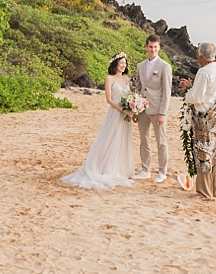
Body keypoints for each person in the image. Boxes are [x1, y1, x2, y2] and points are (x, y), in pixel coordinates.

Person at [61, 52, 135, 190]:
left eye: (125, 63)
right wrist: (122, 109)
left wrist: (133, 108)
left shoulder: (127, 80)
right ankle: (105, 167)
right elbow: (109, 99)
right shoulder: (109, 79)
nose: (123, 66)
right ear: (115, 64)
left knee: (123, 140)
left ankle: (120, 168)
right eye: (121, 63)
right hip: (115, 113)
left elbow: (131, 96)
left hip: (126, 115)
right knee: (110, 139)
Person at [179, 42, 216, 199]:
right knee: (215, 153)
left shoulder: (203, 72)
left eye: (196, 54)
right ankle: (213, 189)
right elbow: (209, 94)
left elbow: (197, 97)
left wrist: (187, 92)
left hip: (205, 120)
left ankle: (204, 192)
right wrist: (192, 87)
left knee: (203, 153)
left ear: (201, 56)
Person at [132, 34, 172, 183]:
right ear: (146, 47)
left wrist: (163, 112)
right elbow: (139, 87)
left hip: (157, 110)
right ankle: (145, 169)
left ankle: (162, 171)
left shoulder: (165, 67)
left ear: (159, 47)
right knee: (144, 140)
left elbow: (167, 92)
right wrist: (135, 108)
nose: (153, 49)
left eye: (155, 47)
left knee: (161, 141)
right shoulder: (140, 66)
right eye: (150, 47)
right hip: (142, 109)